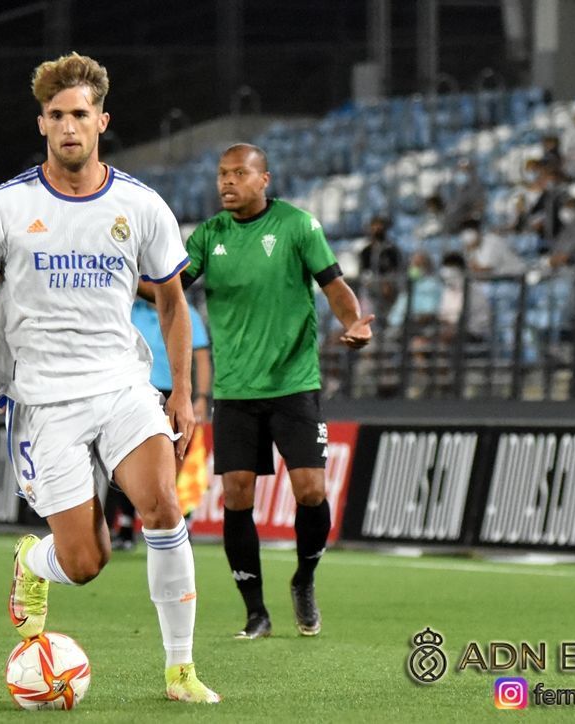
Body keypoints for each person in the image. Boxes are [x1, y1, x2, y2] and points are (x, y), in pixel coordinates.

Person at [0, 53, 220, 703]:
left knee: (163, 505)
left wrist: (183, 392)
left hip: (123, 385)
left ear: (102, 120)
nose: (69, 126)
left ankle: (180, 671)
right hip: (42, 400)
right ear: (41, 123)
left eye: (80, 114)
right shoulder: (6, 206)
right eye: (56, 115)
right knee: (85, 561)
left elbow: (172, 303)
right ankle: (32, 561)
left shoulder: (140, 205)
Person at [181, 143, 373, 641]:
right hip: (235, 389)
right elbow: (170, 286)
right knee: (237, 494)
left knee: (311, 490)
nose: (227, 182)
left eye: (239, 173)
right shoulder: (208, 235)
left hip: (293, 383)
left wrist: (353, 322)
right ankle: (255, 612)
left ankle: (304, 577)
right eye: (222, 174)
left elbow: (334, 285)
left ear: (263, 179)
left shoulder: (297, 226)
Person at [105, 285, 213, 550]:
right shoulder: (131, 310)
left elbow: (201, 358)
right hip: (135, 392)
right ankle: (126, 526)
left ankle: (176, 524)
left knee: (174, 461)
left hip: (172, 395)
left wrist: (200, 396)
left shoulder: (186, 311)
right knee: (127, 456)